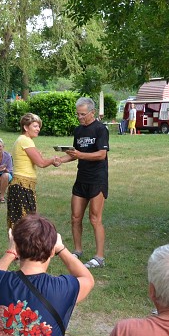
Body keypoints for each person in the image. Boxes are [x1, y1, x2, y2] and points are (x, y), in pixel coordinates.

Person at [56, 97, 109, 269]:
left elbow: (101, 154)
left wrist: (81, 155)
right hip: (81, 179)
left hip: (97, 180)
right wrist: (60, 160)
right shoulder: (78, 130)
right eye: (78, 114)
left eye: (83, 114)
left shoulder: (101, 130)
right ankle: (77, 251)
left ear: (92, 112)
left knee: (95, 219)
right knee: (75, 217)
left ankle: (99, 257)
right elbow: (74, 153)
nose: (79, 117)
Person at [6, 113, 58, 228]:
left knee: (21, 224)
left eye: (38, 126)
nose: (38, 129)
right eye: (35, 126)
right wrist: (53, 160)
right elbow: (41, 163)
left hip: (21, 185)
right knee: (26, 225)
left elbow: (34, 160)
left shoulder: (22, 140)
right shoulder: (25, 140)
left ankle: (18, 245)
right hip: (22, 186)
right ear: (25, 127)